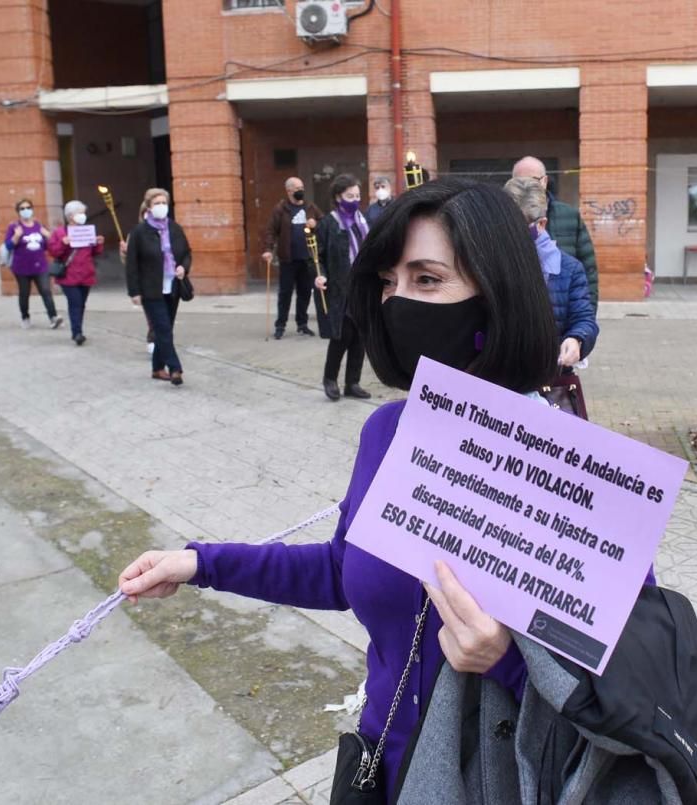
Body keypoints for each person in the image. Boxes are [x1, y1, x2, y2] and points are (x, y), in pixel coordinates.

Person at [117, 180, 639, 801]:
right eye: (389, 283)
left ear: (497, 295)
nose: (398, 304)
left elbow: (620, 697)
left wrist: (503, 660)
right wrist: (201, 562)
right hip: (384, 765)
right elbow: (345, 570)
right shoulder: (389, 432)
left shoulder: (573, 470)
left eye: (427, 280)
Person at [503, 177, 599, 366]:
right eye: (507, 228)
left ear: (541, 224)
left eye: (520, 229)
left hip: (550, 377)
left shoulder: (569, 269)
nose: (512, 237)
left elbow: (584, 319)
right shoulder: (483, 260)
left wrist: (576, 339)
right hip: (496, 380)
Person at [512, 156, 600, 308]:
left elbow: (589, 270)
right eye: (520, 181)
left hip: (562, 314)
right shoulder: (499, 219)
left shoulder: (569, 216)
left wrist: (586, 319)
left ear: (544, 181)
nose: (527, 186)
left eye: (533, 180)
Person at [313, 173, 371, 402]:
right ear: (338, 197)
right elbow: (316, 257)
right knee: (341, 336)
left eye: (357, 195)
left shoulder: (362, 221)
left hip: (362, 289)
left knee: (360, 338)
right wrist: (319, 276)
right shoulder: (328, 224)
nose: (354, 199)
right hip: (339, 291)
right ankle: (330, 379)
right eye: (350, 196)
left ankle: (352, 383)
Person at [125, 187, 191, 386]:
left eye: (164, 203)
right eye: (157, 203)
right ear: (149, 207)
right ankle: (175, 368)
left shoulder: (174, 228)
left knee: (166, 328)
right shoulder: (139, 232)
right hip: (150, 288)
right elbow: (132, 264)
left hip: (173, 287)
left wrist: (183, 267)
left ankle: (156, 368)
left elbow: (187, 252)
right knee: (163, 329)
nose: (161, 207)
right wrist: (134, 291)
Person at [261, 177, 322, 340]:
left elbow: (324, 224)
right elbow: (270, 231)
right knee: (285, 293)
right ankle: (280, 325)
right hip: (288, 259)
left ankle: (302, 324)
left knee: (304, 293)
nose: (300, 190)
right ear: (288, 191)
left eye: (302, 186)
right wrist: (268, 250)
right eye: (296, 188)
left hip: (307, 258)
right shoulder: (281, 209)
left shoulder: (310, 207)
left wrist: (315, 224)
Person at [3, 198, 63, 330]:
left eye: (28, 207)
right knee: (24, 293)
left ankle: (53, 317)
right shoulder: (14, 227)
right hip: (21, 267)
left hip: (40, 266)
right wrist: (16, 236)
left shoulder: (38, 226)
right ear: (18, 211)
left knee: (46, 291)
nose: (26, 210)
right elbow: (7, 246)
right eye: (22, 208)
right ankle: (25, 317)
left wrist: (48, 236)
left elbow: (48, 246)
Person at [49, 200, 103, 345]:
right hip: (69, 276)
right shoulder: (60, 233)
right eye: (80, 213)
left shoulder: (87, 230)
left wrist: (98, 243)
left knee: (81, 304)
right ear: (71, 216)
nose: (83, 216)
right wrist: (63, 243)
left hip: (86, 274)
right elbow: (53, 251)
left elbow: (94, 252)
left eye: (83, 213)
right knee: (75, 303)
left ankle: (78, 329)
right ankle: (77, 333)